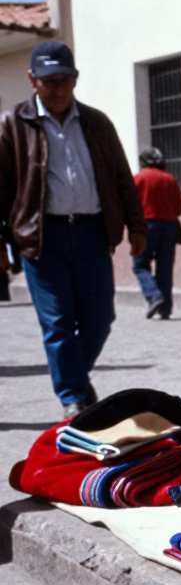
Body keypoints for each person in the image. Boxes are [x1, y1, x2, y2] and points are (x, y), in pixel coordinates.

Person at [0, 41, 147, 417]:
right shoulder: (12, 124)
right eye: (49, 81)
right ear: (33, 80)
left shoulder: (97, 123)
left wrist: (136, 226)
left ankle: (75, 379)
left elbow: (121, 177)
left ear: (75, 79)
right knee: (58, 321)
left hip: (91, 232)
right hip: (40, 237)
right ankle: (72, 397)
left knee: (100, 319)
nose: (58, 89)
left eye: (64, 80)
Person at [131, 147, 181, 319]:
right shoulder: (170, 180)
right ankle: (165, 308)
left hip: (146, 225)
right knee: (165, 268)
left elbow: (130, 204)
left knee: (140, 265)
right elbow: (179, 209)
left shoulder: (138, 179)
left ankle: (154, 296)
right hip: (169, 227)